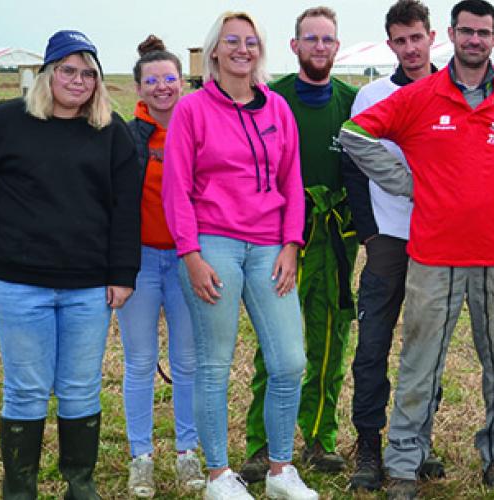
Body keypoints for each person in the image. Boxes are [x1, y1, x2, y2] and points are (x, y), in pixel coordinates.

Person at [340, 1, 494, 497]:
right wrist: (408, 182)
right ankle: (402, 463)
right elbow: (355, 135)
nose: (475, 40)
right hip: (434, 254)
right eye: (467, 31)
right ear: (452, 36)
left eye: (484, 32)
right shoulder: (420, 96)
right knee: (420, 361)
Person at [0, 30, 140, 500]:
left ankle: (80, 483)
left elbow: (126, 208)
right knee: (27, 389)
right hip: (18, 284)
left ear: (98, 81)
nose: (77, 80)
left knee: (80, 388)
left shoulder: (112, 133)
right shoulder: (2, 123)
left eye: (87, 73)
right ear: (47, 74)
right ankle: (20, 488)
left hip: (88, 287)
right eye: (67, 70)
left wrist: (121, 273)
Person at [161, 11, 319, 500]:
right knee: (216, 363)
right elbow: (176, 189)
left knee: (290, 361)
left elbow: (292, 181)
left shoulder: (277, 109)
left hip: (271, 244)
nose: (242, 49)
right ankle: (217, 476)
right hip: (213, 243)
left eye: (251, 42)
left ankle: (280, 471)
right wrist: (190, 254)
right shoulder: (192, 110)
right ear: (214, 51)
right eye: (232, 41)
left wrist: (293, 244)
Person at [240, 6, 360, 482]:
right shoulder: (272, 98)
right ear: (294, 46)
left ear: (337, 45)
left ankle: (319, 437)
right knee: (277, 344)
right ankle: (263, 441)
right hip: (280, 238)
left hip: (335, 236)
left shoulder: (353, 102)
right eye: (310, 39)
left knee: (330, 338)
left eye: (327, 39)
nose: (319, 47)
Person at [339, 0, 446, 491]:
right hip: (387, 236)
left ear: (431, 38)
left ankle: (416, 442)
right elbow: (355, 168)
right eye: (400, 41)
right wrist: (369, 232)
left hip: (438, 238)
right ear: (391, 45)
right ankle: (368, 444)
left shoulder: (453, 92)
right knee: (373, 346)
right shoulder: (372, 96)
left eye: (416, 38)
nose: (409, 48)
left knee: (428, 348)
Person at [119, 35, 205, 498]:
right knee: (139, 362)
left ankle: (188, 452)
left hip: (186, 260)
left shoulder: (199, 128)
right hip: (138, 263)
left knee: (187, 362)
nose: (162, 87)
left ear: (182, 82)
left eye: (169, 78)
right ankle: (141, 458)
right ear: (139, 88)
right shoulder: (124, 135)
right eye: (151, 80)